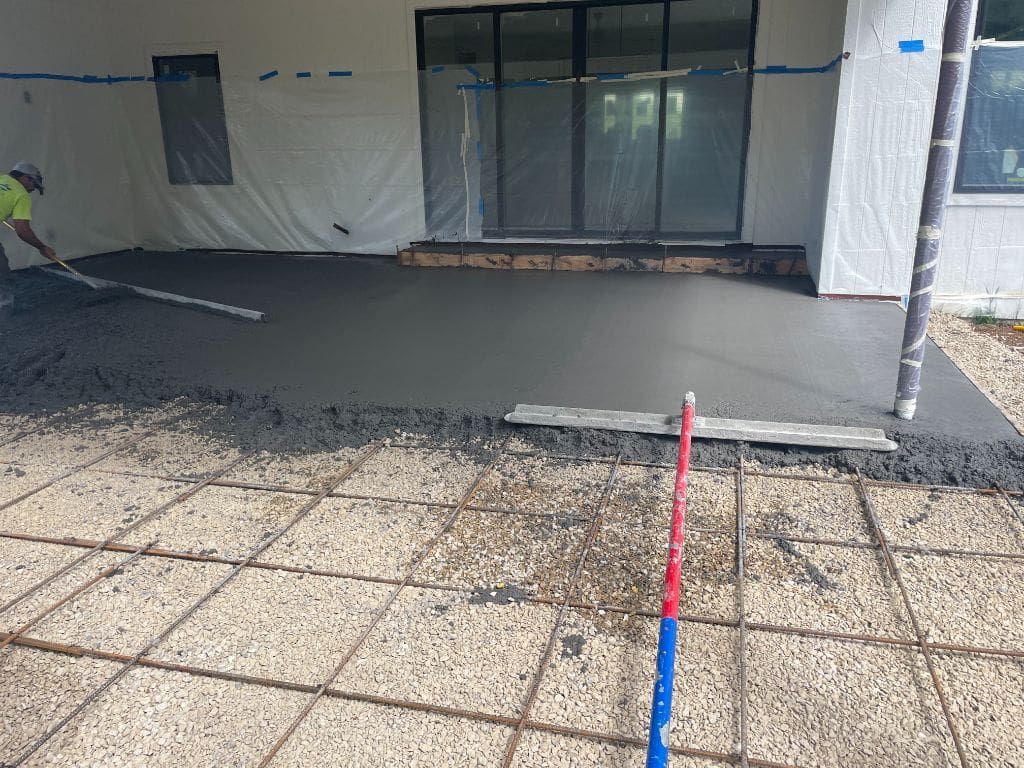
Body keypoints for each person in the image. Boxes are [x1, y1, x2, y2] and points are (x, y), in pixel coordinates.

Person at [0, 162, 56, 315]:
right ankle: (4, 307)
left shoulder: (1, 179)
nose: (32, 190)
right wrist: (42, 247)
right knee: (1, 269)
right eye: (34, 185)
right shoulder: (21, 194)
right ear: (25, 178)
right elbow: (22, 230)